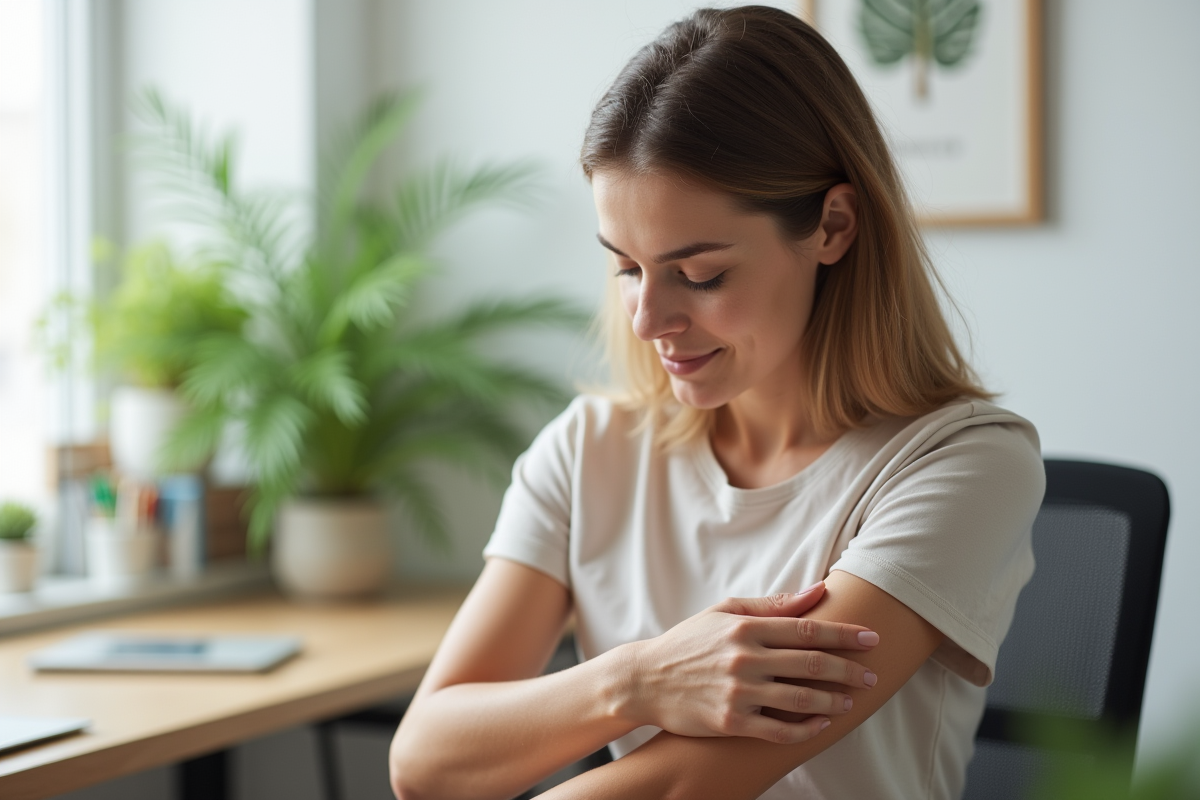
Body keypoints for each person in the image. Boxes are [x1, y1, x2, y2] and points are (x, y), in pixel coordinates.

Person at [389, 6, 1045, 799]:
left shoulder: (966, 465)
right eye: (626, 267)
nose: (647, 320)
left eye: (699, 275)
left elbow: (683, 787)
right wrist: (637, 679)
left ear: (834, 225)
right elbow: (425, 763)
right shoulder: (590, 448)